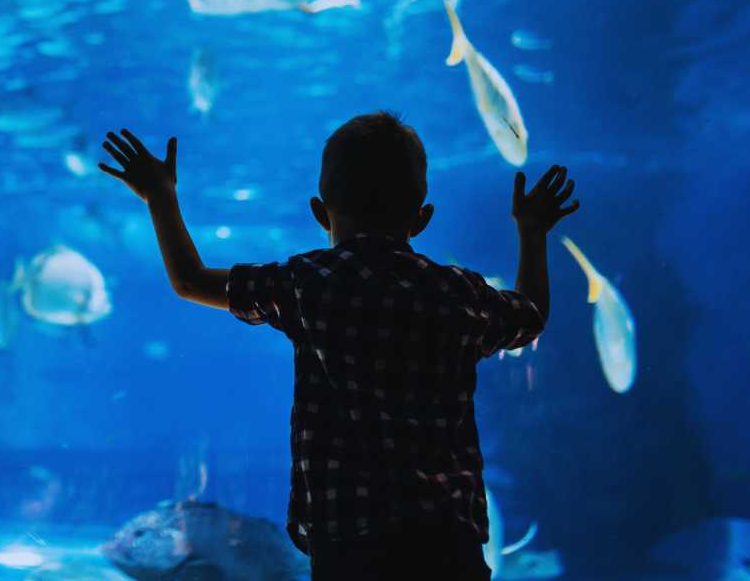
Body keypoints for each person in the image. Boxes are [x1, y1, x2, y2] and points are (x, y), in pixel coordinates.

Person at [98, 112, 578, 581]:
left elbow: (191, 280)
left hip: (348, 537)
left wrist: (160, 196)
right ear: (423, 217)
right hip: (445, 539)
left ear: (319, 212)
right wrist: (533, 232)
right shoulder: (458, 293)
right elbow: (530, 316)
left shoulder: (309, 285)